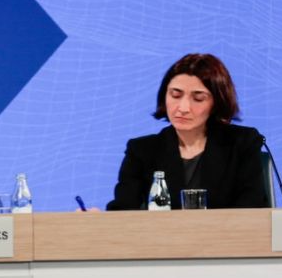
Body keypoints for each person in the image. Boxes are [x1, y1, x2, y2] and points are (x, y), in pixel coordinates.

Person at [106, 53, 269, 210]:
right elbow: (123, 210)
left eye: (198, 98)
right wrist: (94, 220)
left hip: (228, 236)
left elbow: (252, 207)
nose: (183, 108)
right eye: (175, 95)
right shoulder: (142, 151)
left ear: (217, 103)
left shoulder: (241, 143)